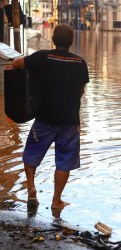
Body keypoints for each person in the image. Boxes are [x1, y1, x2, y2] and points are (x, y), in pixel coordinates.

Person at [12, 24, 89, 210]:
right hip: (69, 121)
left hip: (44, 119)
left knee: (31, 155)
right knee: (64, 162)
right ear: (71, 42)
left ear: (53, 40)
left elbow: (16, 64)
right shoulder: (80, 63)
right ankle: (56, 201)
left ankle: (31, 190)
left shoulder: (42, 57)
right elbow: (81, 91)